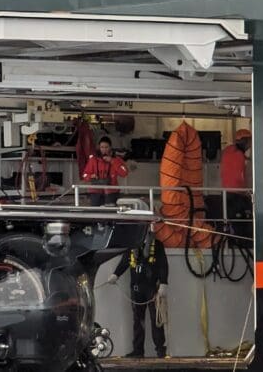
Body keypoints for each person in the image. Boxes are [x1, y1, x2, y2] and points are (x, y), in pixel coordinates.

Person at [108, 230, 169, 358]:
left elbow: (163, 264)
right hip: (136, 289)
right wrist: (115, 274)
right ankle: (138, 350)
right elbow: (125, 261)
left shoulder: (157, 245)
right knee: (138, 321)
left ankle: (160, 350)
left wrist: (164, 283)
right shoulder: (132, 245)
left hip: (152, 289)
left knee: (156, 319)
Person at [219, 129, 253, 243]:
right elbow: (240, 177)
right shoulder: (239, 156)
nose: (250, 144)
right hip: (237, 196)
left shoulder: (228, 151)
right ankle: (244, 243)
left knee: (230, 221)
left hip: (225, 194)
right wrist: (247, 193)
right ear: (245, 141)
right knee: (244, 221)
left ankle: (233, 241)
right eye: (249, 141)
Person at [82, 136, 129, 206]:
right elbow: (85, 175)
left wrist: (112, 161)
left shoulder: (116, 159)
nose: (104, 149)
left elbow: (124, 173)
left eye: (106, 147)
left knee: (110, 214)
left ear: (110, 147)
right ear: (99, 147)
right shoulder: (93, 159)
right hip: (95, 192)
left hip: (111, 192)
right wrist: (91, 176)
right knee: (95, 213)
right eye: (102, 147)